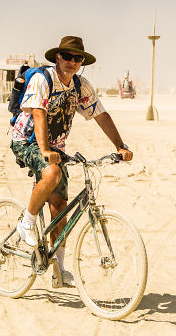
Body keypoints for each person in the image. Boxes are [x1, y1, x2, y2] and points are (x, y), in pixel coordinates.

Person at [10, 36, 133, 289]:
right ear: (57, 57)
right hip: (27, 140)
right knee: (52, 173)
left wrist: (120, 146)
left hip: (55, 147)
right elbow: (38, 113)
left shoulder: (79, 85)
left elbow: (100, 114)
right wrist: (44, 149)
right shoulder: (42, 79)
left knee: (60, 209)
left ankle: (59, 270)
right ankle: (26, 223)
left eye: (78, 58)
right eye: (67, 56)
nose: (72, 62)